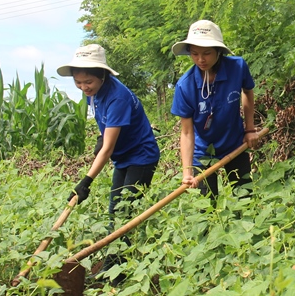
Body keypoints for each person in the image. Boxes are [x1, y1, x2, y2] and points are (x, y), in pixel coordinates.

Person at [57, 44, 160, 276]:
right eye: (78, 82)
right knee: (115, 211)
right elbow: (107, 129)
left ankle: (118, 273)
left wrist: (85, 182)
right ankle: (113, 266)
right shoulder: (92, 95)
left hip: (141, 156)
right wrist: (101, 136)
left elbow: (107, 149)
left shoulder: (118, 97)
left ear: (102, 75)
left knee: (124, 213)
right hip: (122, 158)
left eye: (88, 82)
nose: (84, 87)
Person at [170, 20, 260, 198]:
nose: (200, 60)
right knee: (207, 206)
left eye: (207, 53)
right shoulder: (185, 86)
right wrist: (187, 172)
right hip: (203, 152)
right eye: (194, 54)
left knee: (245, 198)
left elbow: (248, 92)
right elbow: (187, 133)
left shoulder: (237, 67)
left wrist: (250, 129)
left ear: (218, 51)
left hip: (235, 144)